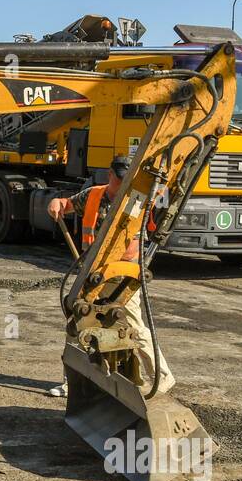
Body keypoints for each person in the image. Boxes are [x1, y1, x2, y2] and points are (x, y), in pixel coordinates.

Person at [44, 154, 174, 399]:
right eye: (119, 179)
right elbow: (66, 204)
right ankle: (71, 383)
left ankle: (163, 378)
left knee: (134, 325)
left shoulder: (137, 199)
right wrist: (57, 203)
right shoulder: (93, 194)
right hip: (92, 272)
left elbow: (162, 199)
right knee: (76, 324)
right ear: (110, 175)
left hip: (123, 274)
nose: (123, 185)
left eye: (128, 180)